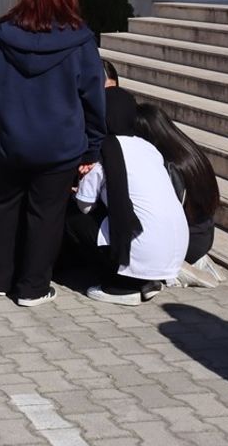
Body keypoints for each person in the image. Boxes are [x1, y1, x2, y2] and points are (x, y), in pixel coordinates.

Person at [0, 0, 106, 306]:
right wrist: (92, 147)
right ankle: (33, 288)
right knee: (45, 216)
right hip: (59, 147)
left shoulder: (3, 35)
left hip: (10, 142)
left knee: (4, 208)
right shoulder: (80, 41)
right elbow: (94, 99)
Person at [67, 88, 190, 305]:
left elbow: (85, 206)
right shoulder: (149, 148)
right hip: (175, 251)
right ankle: (146, 281)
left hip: (144, 247)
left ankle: (119, 286)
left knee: (73, 217)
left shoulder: (104, 150)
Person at [133, 103, 225, 287]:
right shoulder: (189, 152)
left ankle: (175, 267)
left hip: (183, 241)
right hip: (205, 233)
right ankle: (196, 259)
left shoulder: (166, 164)